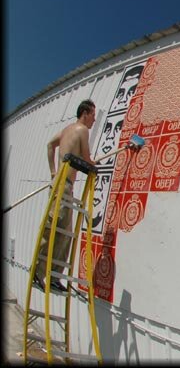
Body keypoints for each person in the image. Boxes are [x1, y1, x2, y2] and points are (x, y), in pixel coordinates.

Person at [33, 99, 97, 292]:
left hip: (61, 184)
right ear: (85, 113)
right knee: (55, 229)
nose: (94, 120)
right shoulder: (81, 130)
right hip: (64, 185)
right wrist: (94, 166)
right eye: (93, 116)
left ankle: (53, 275)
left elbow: (50, 146)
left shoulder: (66, 130)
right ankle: (39, 272)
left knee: (65, 231)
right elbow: (86, 158)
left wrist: (53, 171)